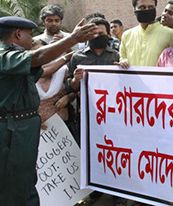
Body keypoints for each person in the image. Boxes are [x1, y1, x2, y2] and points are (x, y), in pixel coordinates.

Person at [0, 16, 97, 206]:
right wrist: (71, 39)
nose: (32, 38)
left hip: (18, 129)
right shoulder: (6, 57)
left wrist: (68, 56)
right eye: (30, 34)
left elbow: (42, 70)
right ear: (18, 34)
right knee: (14, 191)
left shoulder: (14, 61)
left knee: (25, 184)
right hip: (12, 132)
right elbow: (37, 58)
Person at [65, 17, 123, 206]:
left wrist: (124, 69)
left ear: (108, 35)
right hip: (88, 115)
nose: (97, 36)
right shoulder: (78, 58)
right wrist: (75, 79)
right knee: (92, 153)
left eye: (101, 33)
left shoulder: (116, 55)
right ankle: (96, 190)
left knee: (116, 152)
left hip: (114, 116)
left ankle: (119, 193)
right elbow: (70, 88)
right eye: (94, 33)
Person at [119, 0, 173, 67]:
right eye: (142, 7)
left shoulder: (170, 34)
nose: (147, 10)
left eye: (150, 7)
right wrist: (123, 62)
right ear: (134, 9)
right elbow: (122, 59)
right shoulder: (127, 35)